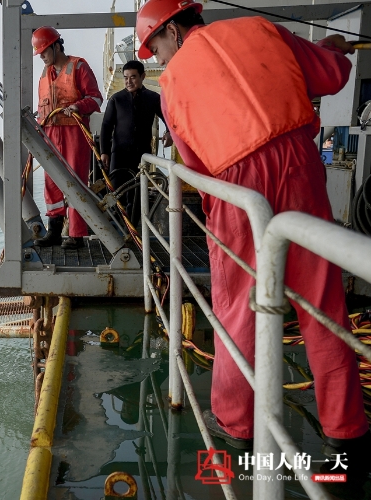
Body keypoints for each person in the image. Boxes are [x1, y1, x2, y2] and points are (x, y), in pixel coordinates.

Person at [136, 0, 370, 464]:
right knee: (322, 301)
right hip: (301, 165)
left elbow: (195, 162)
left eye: (157, 47)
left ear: (174, 31)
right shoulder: (261, 28)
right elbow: (332, 76)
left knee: (238, 308)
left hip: (236, 189)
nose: (158, 60)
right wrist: (334, 48)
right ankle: (344, 431)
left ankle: (238, 426)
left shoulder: (173, 85)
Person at [32, 26, 103, 250]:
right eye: (39, 52)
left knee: (75, 182)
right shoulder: (44, 75)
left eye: (44, 51)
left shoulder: (79, 67)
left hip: (74, 132)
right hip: (50, 134)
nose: (41, 56)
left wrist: (78, 106)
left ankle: (77, 235)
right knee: (51, 183)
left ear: (56, 46)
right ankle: (54, 232)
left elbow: (96, 99)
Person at [100, 60, 171, 175]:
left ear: (142, 76)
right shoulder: (116, 99)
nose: (129, 82)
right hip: (119, 155)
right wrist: (104, 152)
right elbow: (106, 126)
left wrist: (169, 132)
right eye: (126, 78)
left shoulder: (153, 98)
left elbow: (168, 117)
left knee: (139, 190)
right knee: (118, 191)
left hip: (143, 154)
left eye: (133, 77)